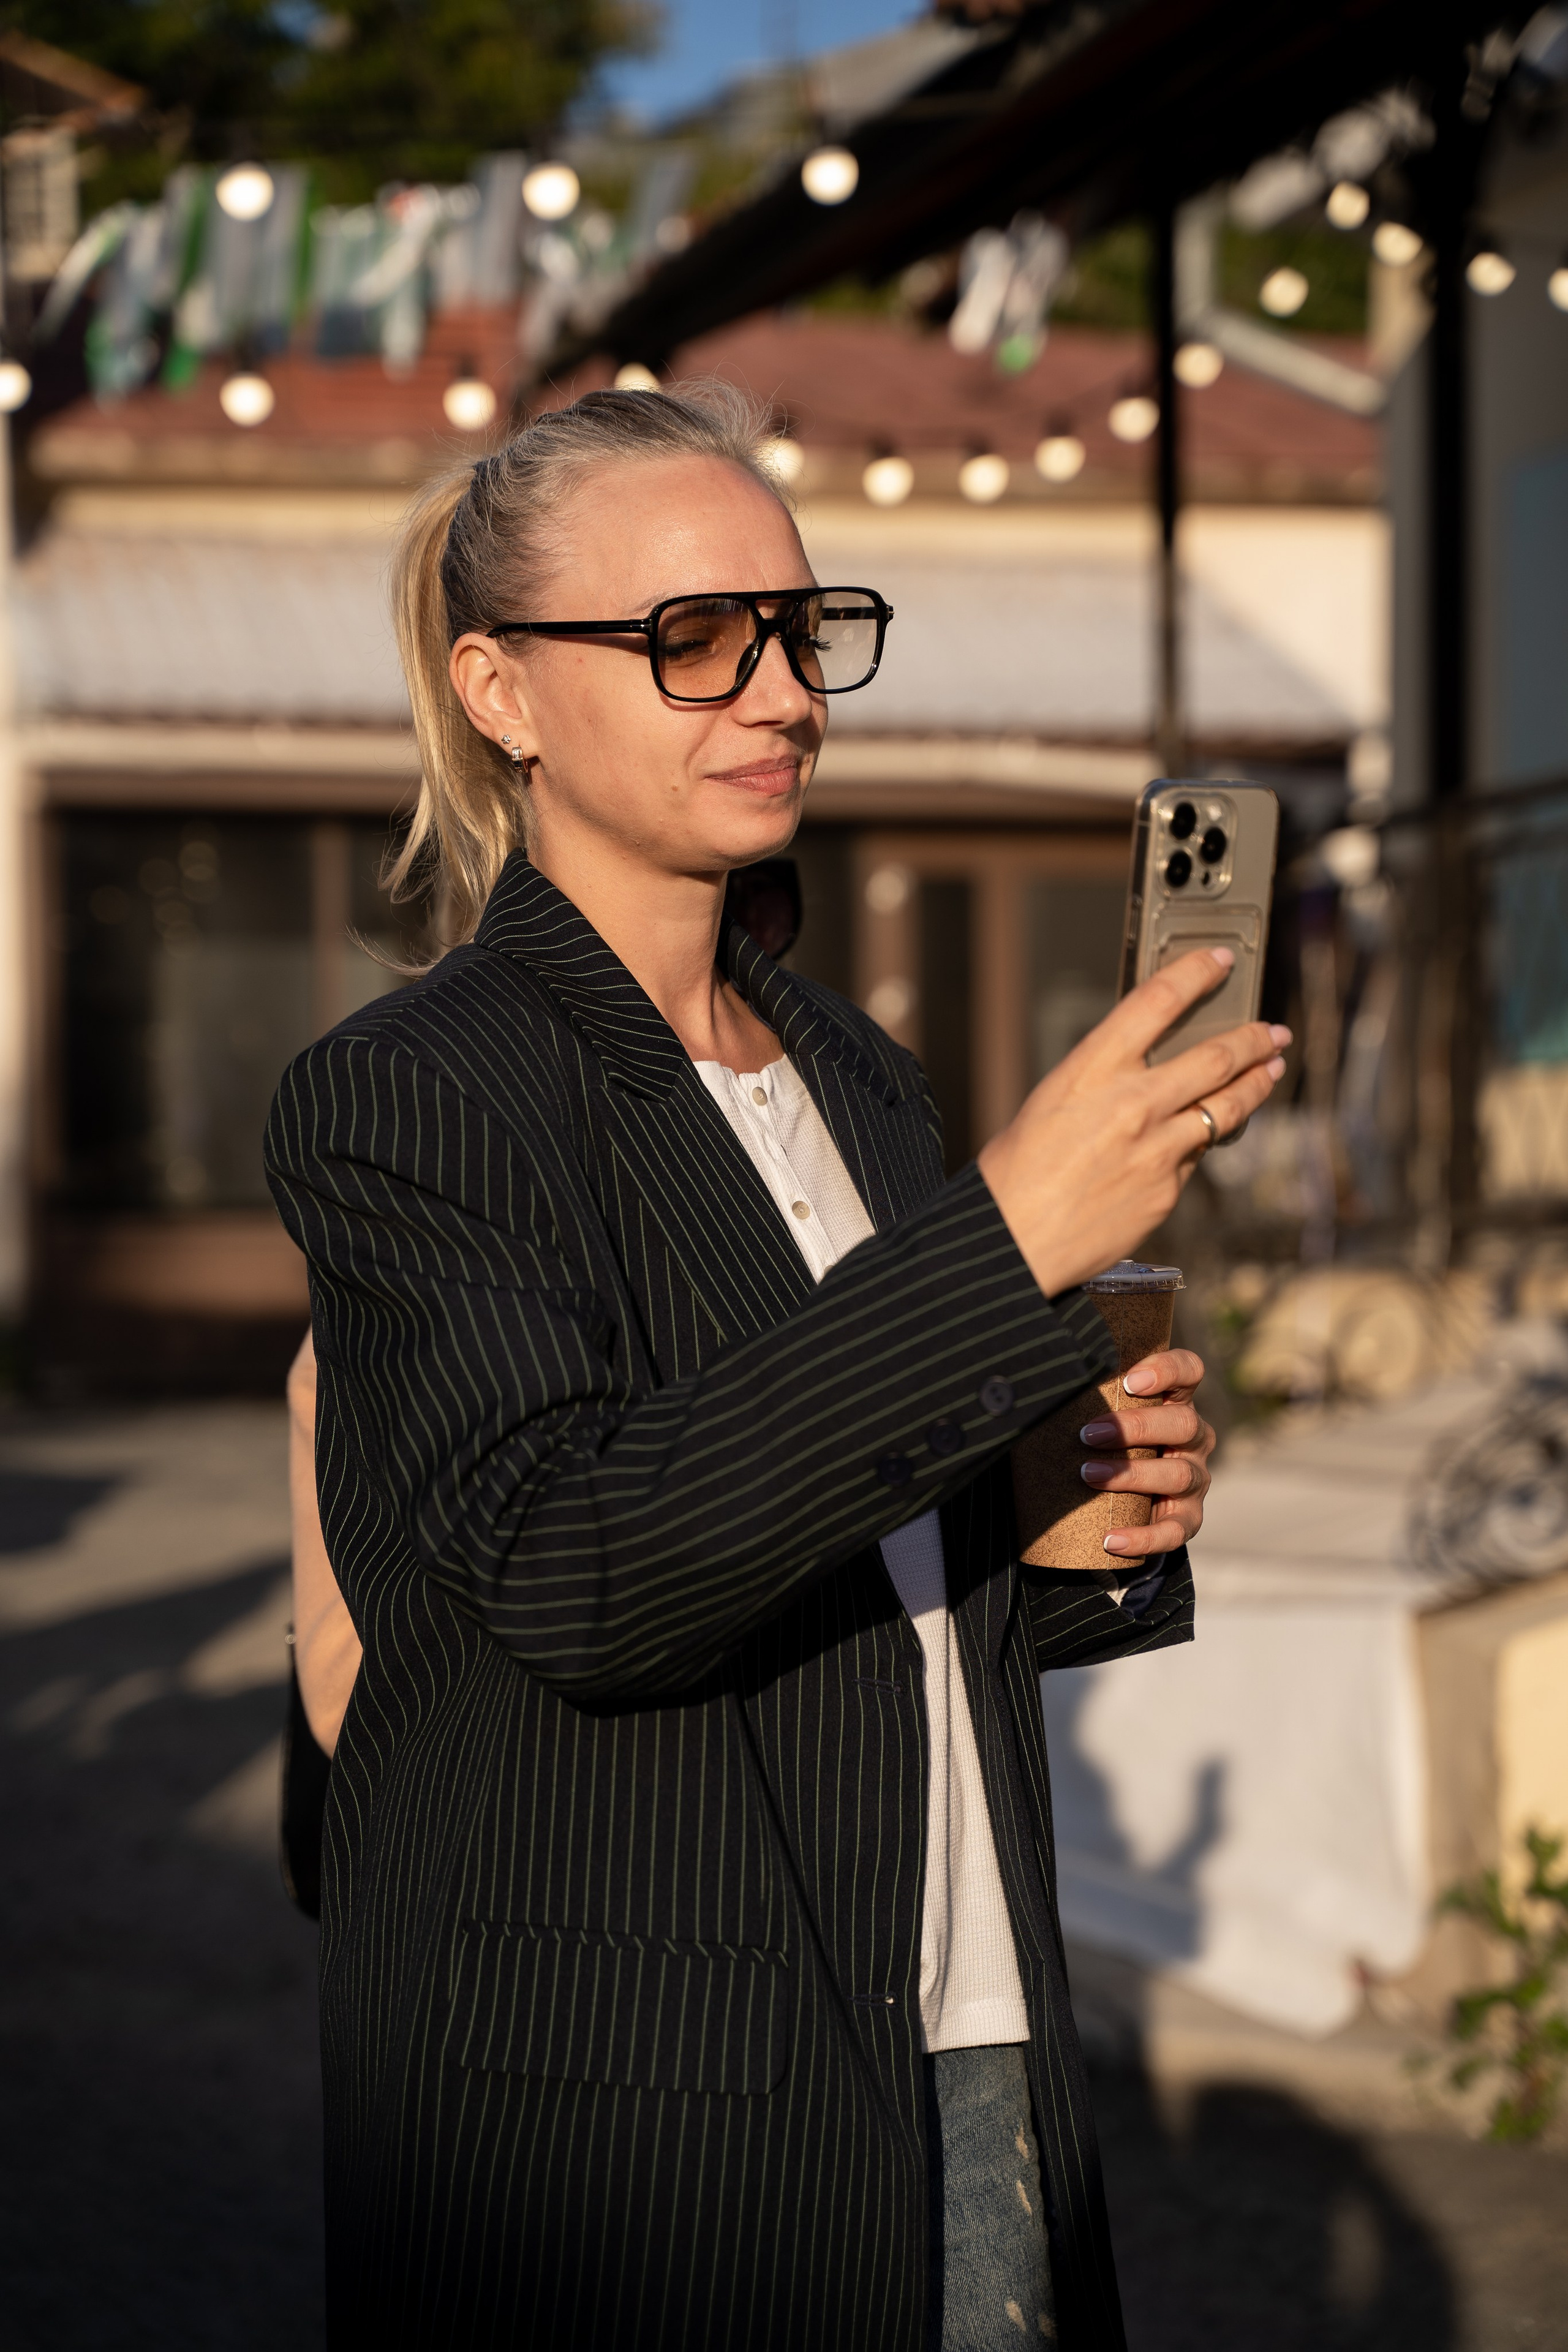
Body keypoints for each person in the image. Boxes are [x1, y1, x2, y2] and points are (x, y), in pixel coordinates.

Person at [266, 381, 1287, 2352]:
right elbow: (582, 1572)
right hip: (630, 2113)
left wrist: (1059, 1527)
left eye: (805, 630)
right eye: (692, 639)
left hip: (970, 2030)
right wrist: (1003, 1246)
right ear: (501, 691)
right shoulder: (410, 1094)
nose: (782, 692)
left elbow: (871, 1576)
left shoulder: (859, 1082)